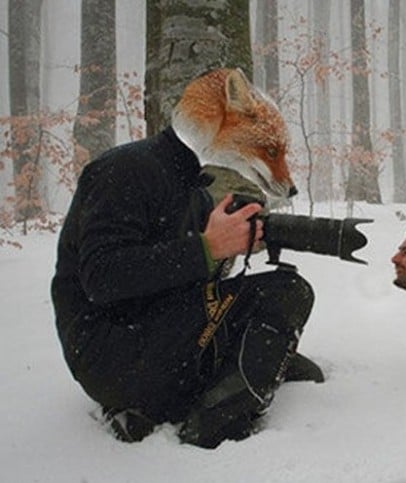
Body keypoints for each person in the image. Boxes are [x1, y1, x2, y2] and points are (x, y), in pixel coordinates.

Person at [51, 72, 323, 449]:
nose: (282, 173)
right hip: (110, 355)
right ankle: (216, 424)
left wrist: (225, 249)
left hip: (150, 340)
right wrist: (206, 249)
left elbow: (182, 283)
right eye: (269, 152)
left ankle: (235, 367)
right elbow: (102, 279)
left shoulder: (192, 190)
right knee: (287, 292)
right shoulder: (124, 169)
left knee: (262, 296)